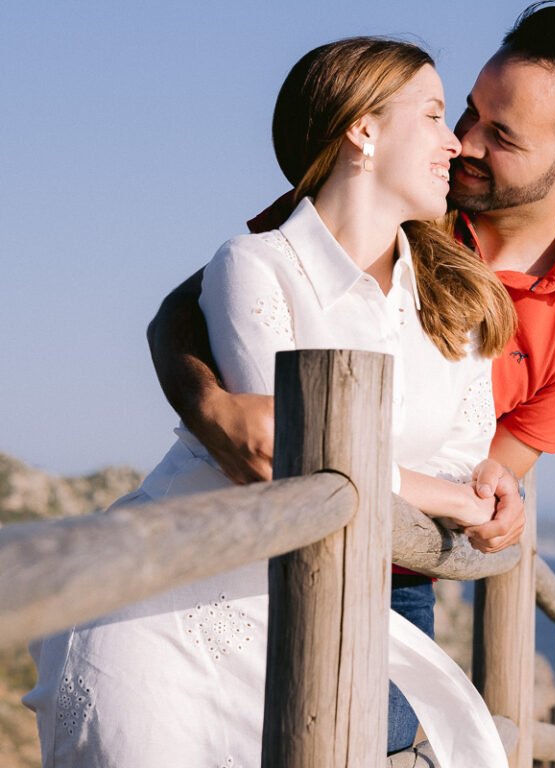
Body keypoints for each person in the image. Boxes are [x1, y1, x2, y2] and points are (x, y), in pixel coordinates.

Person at [25, 37, 516, 766]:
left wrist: (476, 492)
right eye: (436, 114)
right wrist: (456, 500)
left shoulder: (458, 304)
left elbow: (457, 458)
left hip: (331, 615)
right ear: (364, 129)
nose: (455, 143)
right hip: (168, 618)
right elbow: (293, 454)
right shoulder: (253, 266)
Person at [149, 2, 555, 555]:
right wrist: (209, 406)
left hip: (402, 564)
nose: (466, 143)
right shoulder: (387, 192)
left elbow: (479, 473)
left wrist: (497, 499)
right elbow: (190, 305)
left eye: (502, 135)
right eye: (468, 113)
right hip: (273, 530)